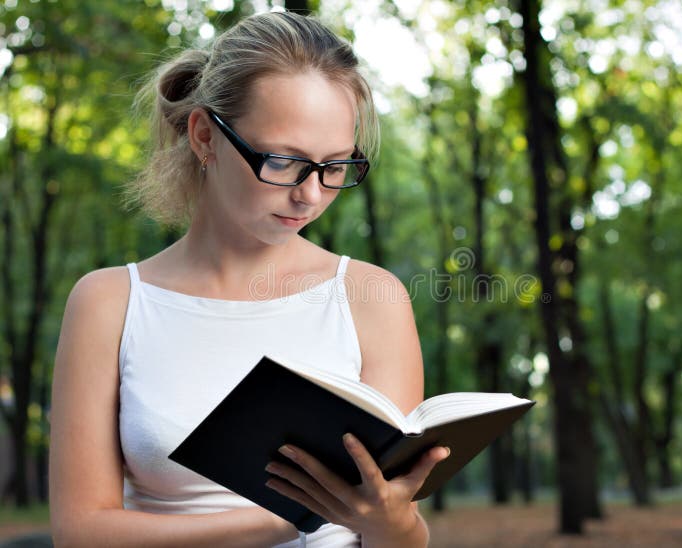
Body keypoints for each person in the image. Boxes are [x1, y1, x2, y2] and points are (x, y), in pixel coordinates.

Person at [49, 11, 449, 547]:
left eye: (335, 166)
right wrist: (293, 516)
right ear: (205, 137)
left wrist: (392, 522)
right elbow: (81, 533)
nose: (310, 195)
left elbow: (393, 534)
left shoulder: (370, 299)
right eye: (284, 161)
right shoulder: (110, 303)